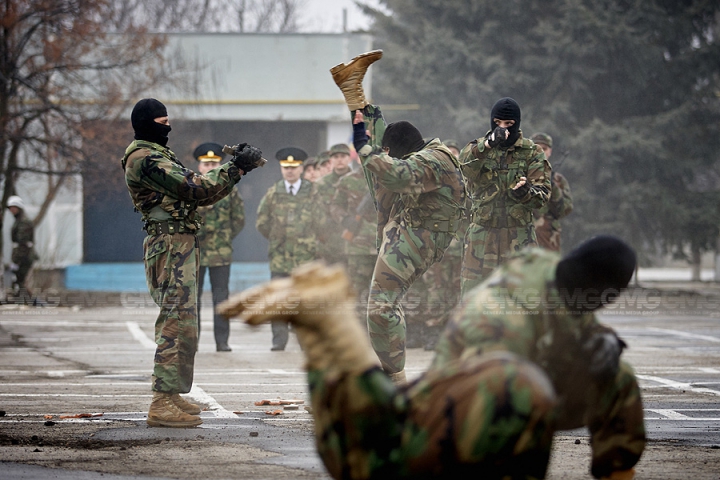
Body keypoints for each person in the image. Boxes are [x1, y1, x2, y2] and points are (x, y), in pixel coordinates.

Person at [218, 261, 557, 480]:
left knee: (366, 453)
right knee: (377, 459)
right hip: (506, 385)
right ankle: (332, 326)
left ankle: (330, 327)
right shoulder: (524, 385)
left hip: (483, 376)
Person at [431, 235, 646, 480]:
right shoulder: (505, 317)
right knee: (522, 394)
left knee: (618, 376)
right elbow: (488, 398)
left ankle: (616, 473)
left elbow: (580, 324)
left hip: (524, 385)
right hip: (456, 414)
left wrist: (604, 338)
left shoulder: (565, 282)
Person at [122, 98, 262, 428]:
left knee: (186, 321)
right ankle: (161, 400)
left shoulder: (158, 155)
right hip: (169, 246)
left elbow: (207, 196)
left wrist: (238, 170)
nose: (167, 126)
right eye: (162, 120)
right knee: (175, 320)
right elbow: (194, 188)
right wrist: (234, 167)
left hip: (180, 244)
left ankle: (171, 394)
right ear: (147, 124)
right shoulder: (145, 158)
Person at [331, 50, 467, 384]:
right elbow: (387, 155)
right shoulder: (420, 152)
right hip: (405, 229)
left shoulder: (435, 160)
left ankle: (393, 379)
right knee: (376, 145)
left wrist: (365, 150)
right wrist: (370, 146)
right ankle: (353, 90)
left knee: (380, 307)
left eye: (393, 153)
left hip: (421, 237)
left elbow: (398, 175)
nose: (386, 154)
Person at [459, 97, 551, 296]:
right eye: (497, 123)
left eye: (509, 124)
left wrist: (526, 192)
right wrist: (489, 144)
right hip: (482, 237)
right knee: (473, 302)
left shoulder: (532, 152)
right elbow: (465, 167)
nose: (503, 129)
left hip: (518, 237)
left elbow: (542, 196)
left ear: (517, 123)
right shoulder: (478, 149)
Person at [256, 147, 320, 351]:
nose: (290, 171)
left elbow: (323, 220)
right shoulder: (274, 193)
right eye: (286, 167)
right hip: (280, 256)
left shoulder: (313, 191)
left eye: (294, 167)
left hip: (306, 257)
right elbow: (262, 222)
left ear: (301, 168)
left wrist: (310, 242)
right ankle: (279, 339)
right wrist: (277, 239)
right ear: (282, 169)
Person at [193, 142, 246, 352]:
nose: (210, 167)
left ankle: (222, 341)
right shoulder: (191, 187)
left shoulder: (229, 188)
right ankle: (192, 341)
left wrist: (223, 237)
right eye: (206, 163)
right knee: (192, 299)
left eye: (214, 163)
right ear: (199, 166)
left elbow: (238, 219)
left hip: (221, 252)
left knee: (221, 299)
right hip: (195, 251)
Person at [330, 156, 377, 319]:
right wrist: (345, 219)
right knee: (357, 290)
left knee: (384, 293)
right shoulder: (347, 181)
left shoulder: (388, 179)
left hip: (384, 246)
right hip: (358, 246)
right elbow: (335, 205)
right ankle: (358, 329)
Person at [530, 132, 574, 252]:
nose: (540, 152)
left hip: (548, 242)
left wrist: (552, 185)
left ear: (550, 151)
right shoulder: (519, 176)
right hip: (522, 242)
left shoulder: (558, 180)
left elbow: (563, 211)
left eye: (544, 148)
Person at [316, 143, 353, 268]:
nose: (340, 159)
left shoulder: (358, 180)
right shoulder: (320, 185)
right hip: (328, 243)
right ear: (331, 160)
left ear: (349, 158)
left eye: (343, 156)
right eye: (336, 157)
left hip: (354, 242)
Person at [6, 195, 38, 300]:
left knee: (20, 280)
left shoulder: (23, 222)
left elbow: (22, 242)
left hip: (25, 256)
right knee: (18, 281)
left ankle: (34, 302)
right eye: (10, 208)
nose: (12, 210)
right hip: (21, 255)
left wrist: (16, 260)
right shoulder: (18, 220)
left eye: (14, 208)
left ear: (19, 208)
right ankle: (26, 300)